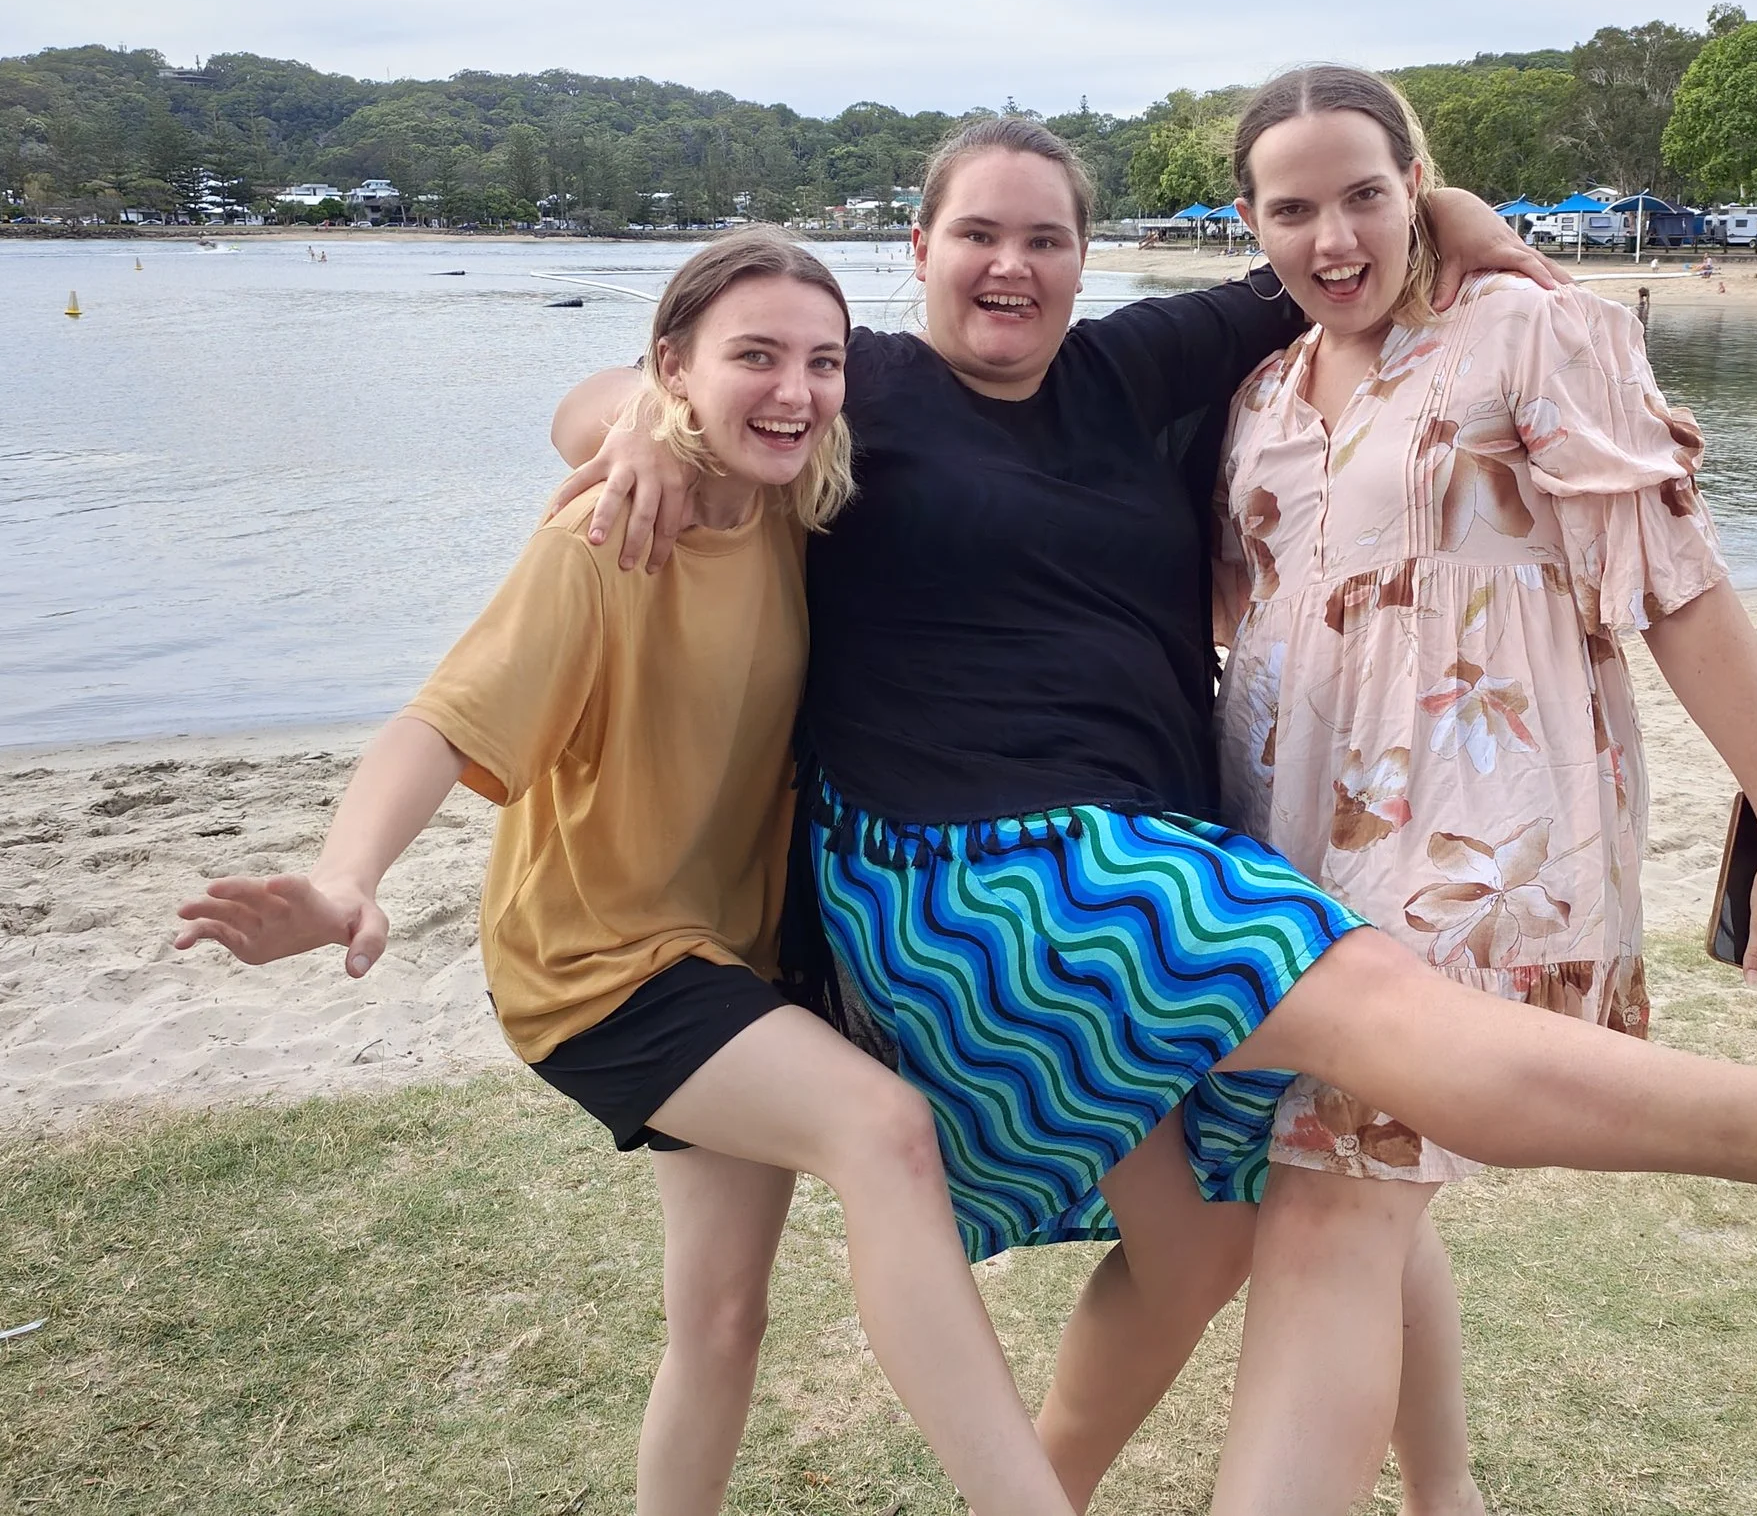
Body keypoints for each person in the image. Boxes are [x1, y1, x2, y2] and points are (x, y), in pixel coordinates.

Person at [554, 125, 1757, 1516]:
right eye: (977, 233)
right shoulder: (865, 394)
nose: (1013, 266)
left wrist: (1485, 236)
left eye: (1048, 237)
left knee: (1220, 1239)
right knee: (1380, 1019)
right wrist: (629, 424)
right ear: (914, 248)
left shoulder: (1133, 378)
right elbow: (658, 396)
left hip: (1150, 857)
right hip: (966, 867)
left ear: (1084, 255)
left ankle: (1255, 1484)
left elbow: (1343, 251)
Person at [173, 231, 1086, 1516]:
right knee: (881, 1132)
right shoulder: (605, 540)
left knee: (720, 1322)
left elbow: (611, 410)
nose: (795, 389)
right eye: (754, 356)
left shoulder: (803, 508)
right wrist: (344, 877)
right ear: (674, 364)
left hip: (736, 964)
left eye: (822, 363)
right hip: (599, 964)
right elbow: (438, 722)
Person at [1209, 66, 1757, 1511]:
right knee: (1364, 1186)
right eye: (1292, 208)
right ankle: (1449, 1495)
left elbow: (1676, 586)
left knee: (1328, 1207)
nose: (1334, 236)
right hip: (1290, 847)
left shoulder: (1533, 333)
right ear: (1252, 223)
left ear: (1413, 181)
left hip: (1476, 831)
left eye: (1366, 193)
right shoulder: (1257, 393)